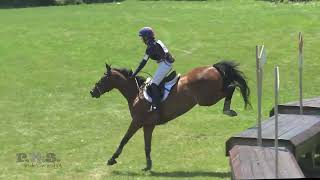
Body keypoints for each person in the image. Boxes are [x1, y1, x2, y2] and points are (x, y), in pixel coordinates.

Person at [131, 27, 175, 113]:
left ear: (146, 37)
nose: (142, 40)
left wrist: (134, 73)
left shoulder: (150, 47)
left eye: (142, 37)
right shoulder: (157, 42)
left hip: (165, 65)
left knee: (154, 84)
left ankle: (156, 106)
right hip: (166, 63)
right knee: (154, 82)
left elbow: (143, 63)